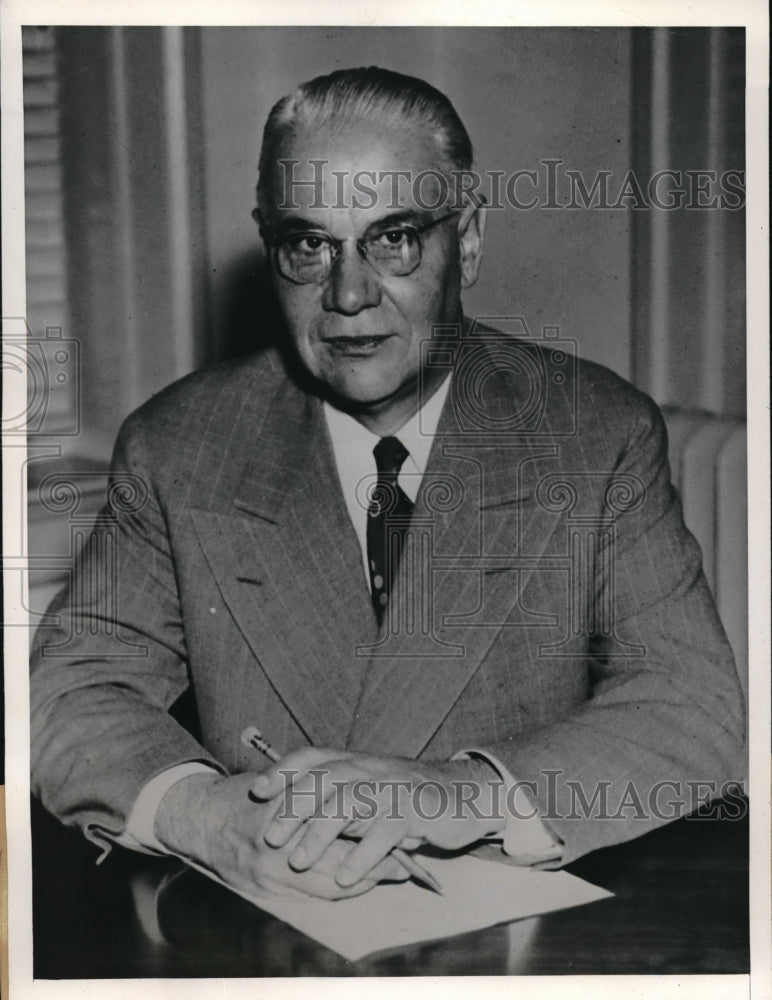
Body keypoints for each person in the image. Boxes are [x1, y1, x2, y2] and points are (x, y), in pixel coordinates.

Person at [30, 67, 745, 903]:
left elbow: (692, 706)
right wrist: (207, 816)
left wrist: (457, 791)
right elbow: (71, 688)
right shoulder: (181, 445)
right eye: (310, 245)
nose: (350, 294)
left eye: (394, 237)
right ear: (270, 250)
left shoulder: (594, 434)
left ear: (467, 242)